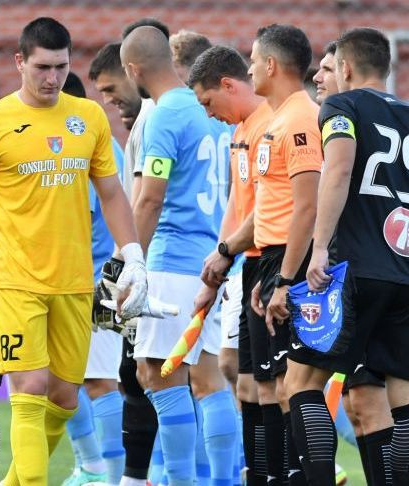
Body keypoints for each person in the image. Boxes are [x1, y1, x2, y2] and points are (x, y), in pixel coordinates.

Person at [0, 17, 147, 486]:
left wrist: (134, 256)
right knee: (30, 387)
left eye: (61, 67)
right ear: (20, 62)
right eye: (42, 67)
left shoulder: (89, 117)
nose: (52, 78)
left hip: (75, 279)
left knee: (64, 397)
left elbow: (113, 195)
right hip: (13, 278)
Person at [122, 25, 236, 486]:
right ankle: (224, 481)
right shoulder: (210, 108)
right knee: (209, 379)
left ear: (133, 70)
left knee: (158, 375)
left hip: (172, 259)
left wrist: (129, 262)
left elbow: (149, 199)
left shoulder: (163, 115)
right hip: (213, 260)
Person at [297, 27, 409, 486]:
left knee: (301, 385)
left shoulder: (340, 107)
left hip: (356, 271)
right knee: (401, 397)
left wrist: (319, 247)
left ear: (343, 67)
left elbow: (339, 169)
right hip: (402, 272)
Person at [188, 45, 275, 486]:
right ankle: (256, 474)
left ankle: (285, 472)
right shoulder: (240, 131)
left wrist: (224, 253)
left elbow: (273, 207)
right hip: (248, 268)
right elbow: (238, 209)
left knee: (277, 389)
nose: (207, 114)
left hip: (276, 266)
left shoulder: (272, 125)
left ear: (227, 85)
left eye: (207, 102)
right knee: (242, 382)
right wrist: (219, 265)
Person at [242, 24, 322, 485]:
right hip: (271, 260)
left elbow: (307, 205)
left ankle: (303, 475)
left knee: (298, 385)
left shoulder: (297, 120)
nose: (250, 67)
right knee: (273, 384)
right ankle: (277, 476)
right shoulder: (278, 117)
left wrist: (286, 280)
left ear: (271, 65)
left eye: (253, 60)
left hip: (290, 263)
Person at [88, 39, 158, 486]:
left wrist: (116, 269)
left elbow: (143, 204)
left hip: (150, 266)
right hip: (147, 264)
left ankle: (124, 475)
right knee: (136, 377)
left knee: (138, 379)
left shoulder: (157, 119)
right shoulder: (141, 128)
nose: (110, 103)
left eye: (112, 90)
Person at [60, 71, 127, 486]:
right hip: (89, 277)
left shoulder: (80, 143)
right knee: (68, 381)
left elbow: (76, 218)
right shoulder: (105, 141)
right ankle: (93, 467)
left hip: (94, 280)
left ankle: (104, 472)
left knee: (99, 380)